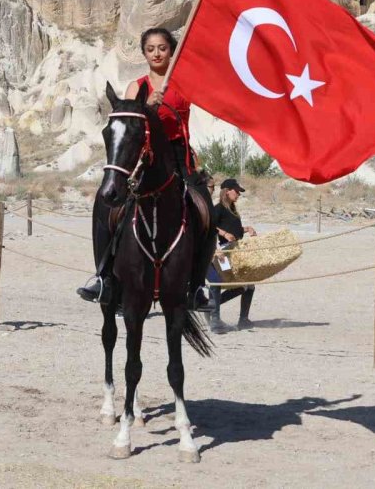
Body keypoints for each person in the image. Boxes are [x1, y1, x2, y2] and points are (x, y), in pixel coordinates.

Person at [77, 28, 214, 310]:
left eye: (162, 48)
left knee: (207, 209)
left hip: (177, 155)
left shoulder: (184, 84)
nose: (156, 53)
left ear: (171, 51)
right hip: (142, 158)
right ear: (144, 53)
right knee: (105, 204)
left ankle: (198, 285)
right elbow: (129, 123)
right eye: (150, 48)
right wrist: (147, 107)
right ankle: (103, 277)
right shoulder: (136, 86)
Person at [206, 178, 257, 334]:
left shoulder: (233, 210)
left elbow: (234, 230)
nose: (239, 194)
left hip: (234, 252)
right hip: (221, 252)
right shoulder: (218, 208)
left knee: (248, 285)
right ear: (227, 191)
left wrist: (246, 229)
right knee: (217, 282)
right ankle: (214, 318)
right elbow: (209, 225)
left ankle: (243, 319)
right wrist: (224, 233)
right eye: (236, 191)